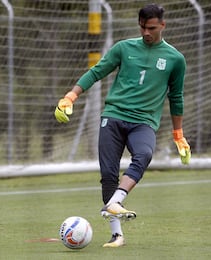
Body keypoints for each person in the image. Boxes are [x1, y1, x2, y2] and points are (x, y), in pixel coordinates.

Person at [54, 3, 191, 248]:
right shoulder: (123, 48)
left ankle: (116, 201)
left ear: (162, 25)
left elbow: (176, 97)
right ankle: (117, 236)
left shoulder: (175, 59)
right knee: (108, 174)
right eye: (142, 27)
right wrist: (70, 96)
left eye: (151, 28)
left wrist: (178, 134)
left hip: (143, 122)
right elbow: (96, 72)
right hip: (113, 116)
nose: (146, 33)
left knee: (145, 153)